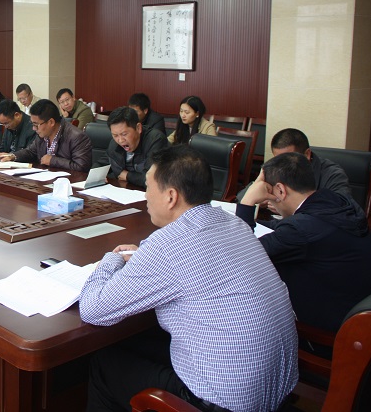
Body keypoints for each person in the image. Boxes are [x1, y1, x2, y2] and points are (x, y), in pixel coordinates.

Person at [80, 146, 298, 412]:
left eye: (148, 187)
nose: (145, 195)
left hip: (225, 402)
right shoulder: (235, 224)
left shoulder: (167, 246)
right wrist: (144, 259)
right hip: (276, 392)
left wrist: (111, 260)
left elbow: (93, 310)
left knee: (104, 363)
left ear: (171, 196)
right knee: (134, 342)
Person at [236, 152, 371, 337]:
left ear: (280, 191)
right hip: (365, 321)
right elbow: (290, 228)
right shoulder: (336, 201)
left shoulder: (301, 231)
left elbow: (242, 254)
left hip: (332, 336)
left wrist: (248, 201)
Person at [236, 128, 352, 205]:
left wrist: (291, 206)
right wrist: (260, 199)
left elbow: (341, 207)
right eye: (278, 159)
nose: (282, 165)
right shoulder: (275, 167)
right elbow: (241, 197)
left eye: (288, 159)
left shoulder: (332, 174)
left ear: (307, 154)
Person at [0, 99, 92, 172]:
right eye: (32, 124)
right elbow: (31, 151)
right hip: (45, 180)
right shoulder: (42, 134)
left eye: (36, 125)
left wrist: (53, 161)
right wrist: (13, 156)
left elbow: (82, 167)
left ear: (51, 122)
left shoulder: (77, 137)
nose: (34, 128)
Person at [96, 106, 168, 188]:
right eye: (115, 135)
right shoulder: (114, 144)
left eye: (124, 134)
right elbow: (101, 164)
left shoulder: (155, 140)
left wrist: (127, 176)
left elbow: (152, 179)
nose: (120, 140)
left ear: (138, 128)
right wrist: (95, 177)